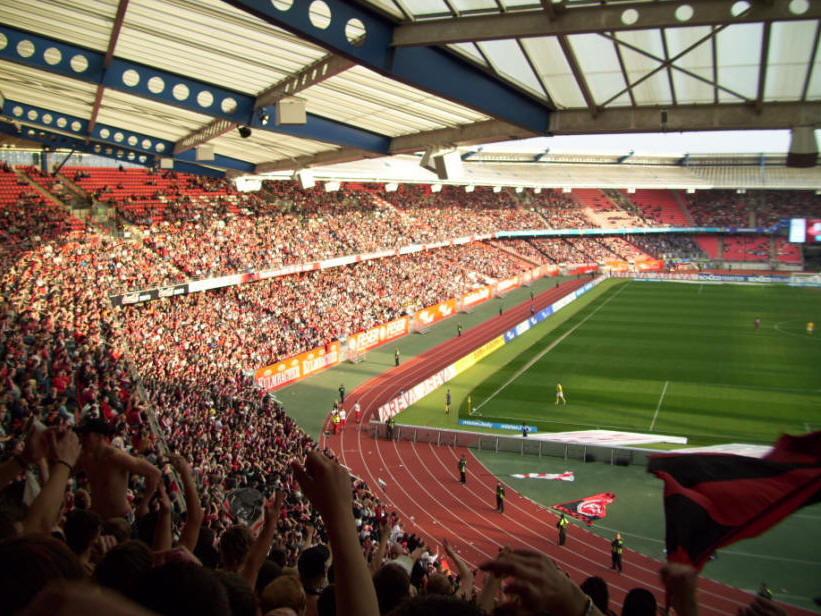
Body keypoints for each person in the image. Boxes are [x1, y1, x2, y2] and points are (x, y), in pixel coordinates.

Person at [76, 417, 161, 521]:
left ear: (99, 437)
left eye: (86, 435)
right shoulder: (85, 457)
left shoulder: (116, 457)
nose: (82, 439)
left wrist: (144, 505)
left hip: (120, 520)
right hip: (97, 518)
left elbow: (154, 473)